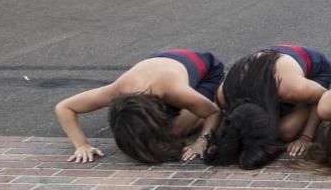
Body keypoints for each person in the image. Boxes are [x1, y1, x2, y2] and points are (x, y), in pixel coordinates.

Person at [52, 49, 223, 164]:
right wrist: (81, 145)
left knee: (175, 131)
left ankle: (205, 109)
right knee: (142, 131)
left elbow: (213, 112)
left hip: (205, 70)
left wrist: (202, 140)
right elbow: (65, 107)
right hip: (160, 60)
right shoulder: (118, 89)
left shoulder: (174, 91)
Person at [185, 44, 331, 169]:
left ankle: (300, 106)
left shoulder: (291, 88)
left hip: (312, 68)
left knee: (286, 132)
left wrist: (306, 137)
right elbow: (218, 112)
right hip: (262, 70)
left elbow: (324, 97)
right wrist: (203, 139)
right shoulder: (224, 95)